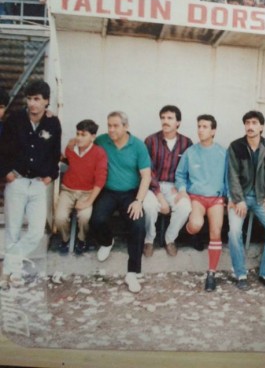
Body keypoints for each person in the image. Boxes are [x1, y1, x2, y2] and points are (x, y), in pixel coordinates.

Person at [0, 80, 61, 288]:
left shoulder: (52, 123)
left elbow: (54, 152)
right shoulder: (15, 120)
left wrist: (50, 176)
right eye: (29, 99)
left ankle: (9, 263)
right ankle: (13, 273)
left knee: (36, 231)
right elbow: (2, 149)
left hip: (37, 184)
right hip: (16, 181)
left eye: (37, 99)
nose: (32, 103)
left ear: (46, 101)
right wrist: (6, 172)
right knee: (13, 229)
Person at [90, 111, 151, 293]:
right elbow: (83, 145)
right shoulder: (101, 141)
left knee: (138, 224)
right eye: (109, 125)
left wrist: (139, 201)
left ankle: (133, 272)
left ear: (126, 127)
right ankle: (107, 241)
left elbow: (146, 176)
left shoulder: (138, 145)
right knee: (97, 219)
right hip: (108, 191)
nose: (111, 129)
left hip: (130, 193)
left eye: (115, 126)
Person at [227, 111, 265, 290]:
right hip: (240, 198)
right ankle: (240, 273)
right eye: (247, 123)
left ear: (261, 127)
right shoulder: (235, 146)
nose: (250, 126)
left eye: (254, 123)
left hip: (261, 198)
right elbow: (232, 176)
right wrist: (238, 199)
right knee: (234, 231)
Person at [174, 114, 227, 292]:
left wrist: (228, 197)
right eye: (199, 126)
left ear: (213, 131)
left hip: (216, 198)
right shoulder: (190, 152)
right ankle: (189, 233)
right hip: (196, 197)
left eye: (205, 127)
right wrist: (182, 190)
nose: (200, 130)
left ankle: (211, 274)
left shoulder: (222, 153)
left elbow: (228, 177)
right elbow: (180, 175)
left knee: (216, 232)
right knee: (196, 225)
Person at [142, 106, 193, 257]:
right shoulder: (151, 140)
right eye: (163, 118)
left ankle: (170, 239)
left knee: (184, 207)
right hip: (152, 185)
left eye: (170, 118)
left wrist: (181, 188)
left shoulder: (186, 143)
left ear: (178, 122)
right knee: (149, 206)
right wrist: (159, 196)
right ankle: (149, 239)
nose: (165, 121)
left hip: (173, 186)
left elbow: (189, 170)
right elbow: (147, 171)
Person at [54, 120, 107, 255]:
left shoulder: (99, 153)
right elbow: (67, 160)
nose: (79, 138)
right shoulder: (71, 149)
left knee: (84, 217)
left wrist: (88, 201)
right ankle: (65, 240)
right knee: (60, 218)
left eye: (83, 135)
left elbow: (100, 180)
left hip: (87, 192)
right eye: (77, 134)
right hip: (68, 190)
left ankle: (82, 240)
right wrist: (70, 143)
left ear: (93, 137)